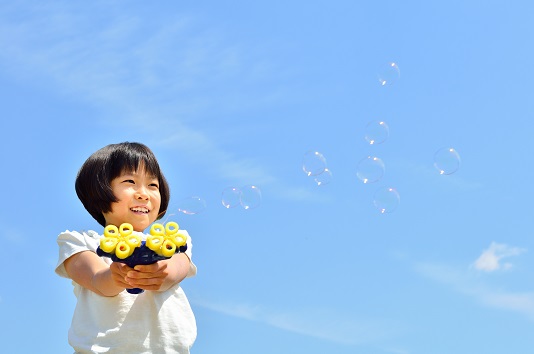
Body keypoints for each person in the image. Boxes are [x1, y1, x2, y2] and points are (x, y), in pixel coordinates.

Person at [55, 142, 197, 354]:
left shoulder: (174, 241)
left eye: (152, 185)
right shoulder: (80, 243)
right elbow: (96, 279)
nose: (144, 194)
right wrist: (116, 277)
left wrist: (161, 274)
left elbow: (176, 269)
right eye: (130, 181)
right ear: (98, 189)